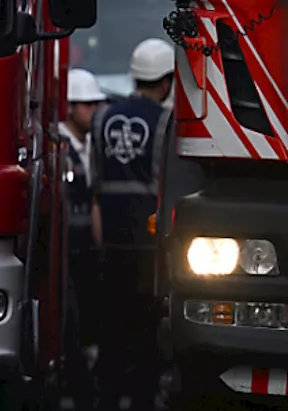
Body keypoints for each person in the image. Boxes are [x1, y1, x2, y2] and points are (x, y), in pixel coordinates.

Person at [89, 38, 175, 411]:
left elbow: (95, 188)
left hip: (111, 241)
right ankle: (141, 398)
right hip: (150, 245)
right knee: (146, 329)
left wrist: (100, 241)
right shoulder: (165, 123)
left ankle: (106, 396)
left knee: (111, 326)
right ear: (167, 80)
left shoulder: (103, 118)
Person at [59, 68, 106, 411]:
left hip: (85, 249)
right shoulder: (59, 146)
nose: (94, 111)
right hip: (64, 249)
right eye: (88, 105)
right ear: (71, 107)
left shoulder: (89, 144)